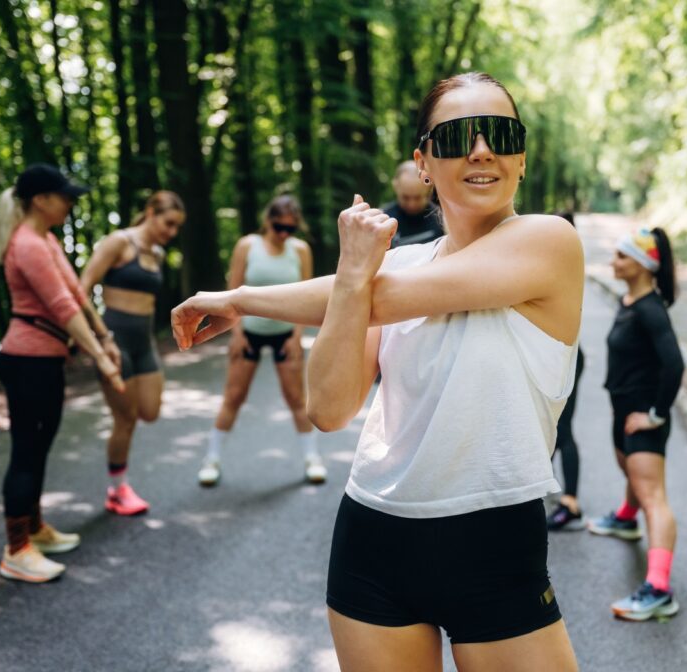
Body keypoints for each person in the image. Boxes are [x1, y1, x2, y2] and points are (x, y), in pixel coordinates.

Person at [172, 72, 582, 671]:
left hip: (494, 542)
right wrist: (314, 284)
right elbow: (331, 409)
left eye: (498, 133)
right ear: (423, 163)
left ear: (520, 156)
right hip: (373, 540)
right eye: (455, 137)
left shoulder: (548, 242)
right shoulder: (392, 271)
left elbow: (385, 296)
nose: (480, 149)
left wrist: (250, 298)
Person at [0, 164, 125, 583]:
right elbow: (61, 309)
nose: (69, 202)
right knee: (27, 452)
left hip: (45, 361)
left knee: (40, 444)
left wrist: (105, 338)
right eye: (64, 195)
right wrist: (101, 360)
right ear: (40, 200)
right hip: (27, 360)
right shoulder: (27, 245)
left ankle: (34, 529)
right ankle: (16, 549)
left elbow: (76, 294)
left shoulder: (45, 240)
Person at [586, 227, 685, 622]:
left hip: (643, 417)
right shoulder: (630, 299)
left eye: (621, 257)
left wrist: (655, 415)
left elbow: (675, 365)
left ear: (643, 264)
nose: (613, 262)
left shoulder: (650, 310)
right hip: (624, 410)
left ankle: (659, 589)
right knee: (630, 472)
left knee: (654, 498)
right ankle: (626, 518)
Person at [197, 195, 326, 487]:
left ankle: (312, 459)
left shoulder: (300, 250)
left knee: (297, 399)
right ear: (268, 221)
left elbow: (306, 294)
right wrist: (237, 335)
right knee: (234, 396)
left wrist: (297, 337)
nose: (283, 233)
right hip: (250, 332)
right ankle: (211, 460)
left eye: (290, 229)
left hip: (285, 334)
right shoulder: (247, 246)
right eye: (279, 226)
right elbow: (231, 294)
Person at [79, 191, 186, 515]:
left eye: (176, 227)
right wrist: (101, 338)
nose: (171, 232)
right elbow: (80, 289)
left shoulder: (157, 251)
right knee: (125, 419)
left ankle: (119, 483)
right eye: (168, 223)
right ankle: (117, 490)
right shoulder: (119, 242)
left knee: (149, 412)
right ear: (151, 212)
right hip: (115, 341)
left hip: (144, 343)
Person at [545, 210, 587, 531]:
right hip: (559, 353)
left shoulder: (559, 264)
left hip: (563, 355)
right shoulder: (568, 260)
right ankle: (544, 487)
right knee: (550, 426)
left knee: (564, 428)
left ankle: (571, 501)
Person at [382, 160, 444, 247]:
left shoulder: (443, 219)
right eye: (405, 197)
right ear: (396, 187)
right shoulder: (383, 220)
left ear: (429, 189)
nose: (412, 204)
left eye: (418, 198)